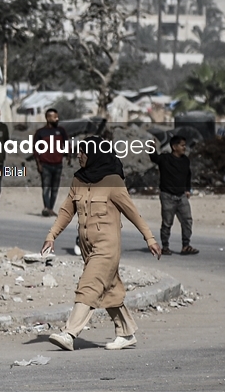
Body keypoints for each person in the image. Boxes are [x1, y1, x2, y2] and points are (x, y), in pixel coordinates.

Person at [42, 137, 162, 351]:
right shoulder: (78, 180)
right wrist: (52, 235)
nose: (79, 156)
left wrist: (150, 238)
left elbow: (132, 212)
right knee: (110, 289)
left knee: (89, 286)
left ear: (94, 154)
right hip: (88, 247)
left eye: (83, 152)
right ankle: (126, 333)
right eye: (78, 152)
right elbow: (66, 210)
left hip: (107, 246)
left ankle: (70, 333)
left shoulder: (113, 181)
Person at [150, 135, 198, 255]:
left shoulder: (185, 160)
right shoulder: (165, 158)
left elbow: (188, 175)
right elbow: (154, 158)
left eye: (184, 145)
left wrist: (187, 189)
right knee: (167, 223)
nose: (184, 148)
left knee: (187, 220)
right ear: (174, 147)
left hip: (181, 196)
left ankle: (186, 245)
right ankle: (165, 247)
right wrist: (151, 148)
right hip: (167, 196)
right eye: (182, 145)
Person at [34, 108, 69, 216]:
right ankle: (46, 207)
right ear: (48, 118)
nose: (57, 118)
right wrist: (38, 164)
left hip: (58, 164)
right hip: (45, 164)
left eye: (57, 116)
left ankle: (50, 208)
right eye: (54, 117)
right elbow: (36, 150)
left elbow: (66, 144)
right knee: (46, 187)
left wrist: (68, 156)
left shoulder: (61, 131)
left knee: (55, 188)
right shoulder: (40, 132)